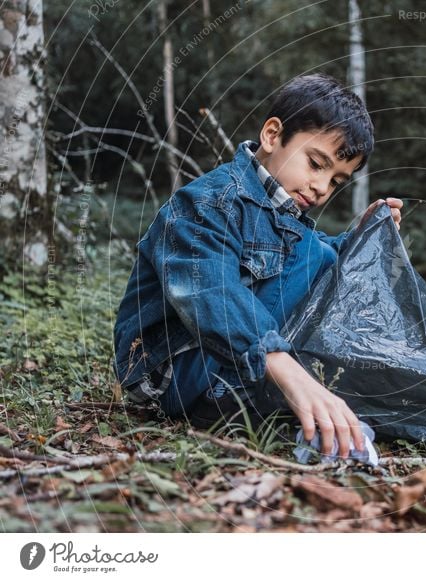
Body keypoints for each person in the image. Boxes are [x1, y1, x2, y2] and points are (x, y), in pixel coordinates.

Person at [113, 73, 403, 459]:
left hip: (226, 358)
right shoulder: (210, 202)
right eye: (316, 164)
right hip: (171, 369)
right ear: (271, 135)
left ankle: (300, 390)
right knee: (313, 255)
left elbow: (315, 255)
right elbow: (208, 288)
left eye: (336, 181)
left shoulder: (282, 211)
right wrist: (282, 366)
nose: (321, 187)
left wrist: (360, 239)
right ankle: (277, 390)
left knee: (321, 254)